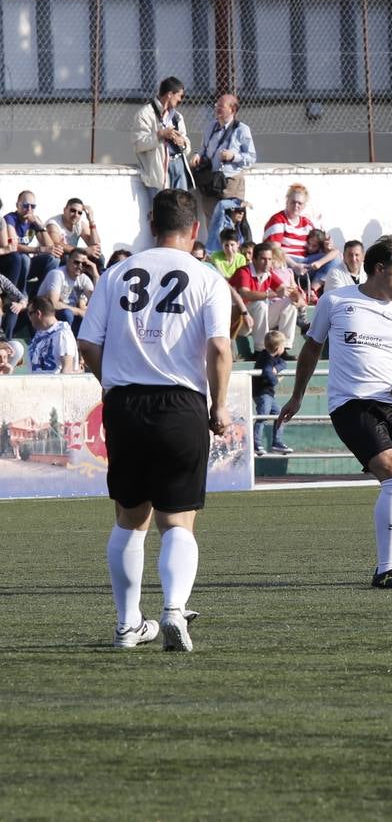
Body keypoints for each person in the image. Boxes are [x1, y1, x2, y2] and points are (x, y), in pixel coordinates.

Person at [76, 188, 231, 651]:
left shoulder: (117, 273)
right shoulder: (207, 278)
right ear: (196, 229)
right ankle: (173, 611)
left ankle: (127, 625)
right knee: (178, 519)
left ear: (150, 223)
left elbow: (87, 344)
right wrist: (218, 407)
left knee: (129, 518)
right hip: (181, 404)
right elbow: (221, 348)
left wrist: (115, 383)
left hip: (125, 404)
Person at [278, 235, 392, 589]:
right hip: (352, 405)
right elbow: (310, 350)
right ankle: (385, 569)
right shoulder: (335, 301)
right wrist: (297, 396)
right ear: (379, 269)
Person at [191, 93, 256, 238]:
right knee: (212, 219)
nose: (217, 108)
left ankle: (232, 255)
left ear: (232, 109)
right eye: (216, 105)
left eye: (221, 106)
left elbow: (251, 157)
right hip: (210, 181)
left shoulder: (241, 129)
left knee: (231, 219)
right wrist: (197, 155)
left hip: (230, 182)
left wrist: (233, 156)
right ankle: (215, 254)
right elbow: (204, 149)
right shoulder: (210, 128)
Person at [230, 242, 299, 355]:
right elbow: (245, 294)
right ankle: (261, 350)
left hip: (256, 319)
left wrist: (297, 296)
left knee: (289, 303)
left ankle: (283, 348)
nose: (267, 263)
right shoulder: (243, 272)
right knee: (260, 304)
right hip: (238, 321)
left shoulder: (268, 273)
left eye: (270, 259)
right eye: (263, 259)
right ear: (254, 259)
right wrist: (274, 294)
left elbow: (286, 289)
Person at [132, 76, 191, 201]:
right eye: (179, 96)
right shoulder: (145, 114)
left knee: (182, 209)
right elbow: (138, 144)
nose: (181, 100)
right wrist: (160, 135)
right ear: (170, 94)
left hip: (179, 165)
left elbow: (187, 144)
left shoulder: (177, 116)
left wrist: (183, 143)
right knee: (162, 212)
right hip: (159, 170)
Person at [0, 190, 60, 297]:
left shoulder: (33, 221)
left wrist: (40, 227)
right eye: (25, 205)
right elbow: (13, 246)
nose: (29, 209)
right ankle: (21, 294)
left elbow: (51, 247)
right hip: (12, 264)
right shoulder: (10, 219)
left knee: (53, 260)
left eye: (33, 206)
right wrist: (39, 250)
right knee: (24, 258)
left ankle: (41, 294)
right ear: (17, 205)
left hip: (26, 265)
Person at [252, 330, 293, 456]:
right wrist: (276, 380)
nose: (284, 348)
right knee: (262, 416)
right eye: (283, 346)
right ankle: (256, 443)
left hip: (269, 394)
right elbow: (267, 371)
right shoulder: (265, 358)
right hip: (262, 393)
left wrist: (276, 369)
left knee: (279, 414)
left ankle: (277, 442)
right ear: (277, 347)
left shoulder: (274, 358)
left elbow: (283, 364)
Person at [37, 247, 96, 333]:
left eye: (84, 264)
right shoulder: (57, 274)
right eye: (76, 262)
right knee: (67, 314)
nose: (80, 266)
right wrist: (80, 312)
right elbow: (53, 304)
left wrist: (95, 275)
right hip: (45, 314)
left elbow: (96, 302)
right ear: (68, 261)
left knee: (90, 316)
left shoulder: (84, 279)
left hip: (69, 315)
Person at [263, 183, 316, 266]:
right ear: (287, 201)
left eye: (299, 203)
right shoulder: (277, 219)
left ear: (304, 205)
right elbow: (274, 249)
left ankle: (318, 279)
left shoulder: (307, 223)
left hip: (306, 261)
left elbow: (318, 245)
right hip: (285, 261)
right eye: (293, 202)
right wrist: (294, 266)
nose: (296, 206)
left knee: (335, 258)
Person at [45, 198, 104, 271]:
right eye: (73, 211)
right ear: (65, 210)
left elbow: (95, 245)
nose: (76, 215)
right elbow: (56, 244)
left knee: (99, 257)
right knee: (66, 258)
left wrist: (91, 220)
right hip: (54, 257)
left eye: (79, 213)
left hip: (73, 255)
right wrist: (84, 251)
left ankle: (97, 280)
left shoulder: (79, 224)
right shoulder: (53, 223)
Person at [26, 296, 79, 373]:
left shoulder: (62, 333)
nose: (29, 318)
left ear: (38, 313)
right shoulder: (39, 334)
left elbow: (67, 367)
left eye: (30, 314)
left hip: (53, 383)